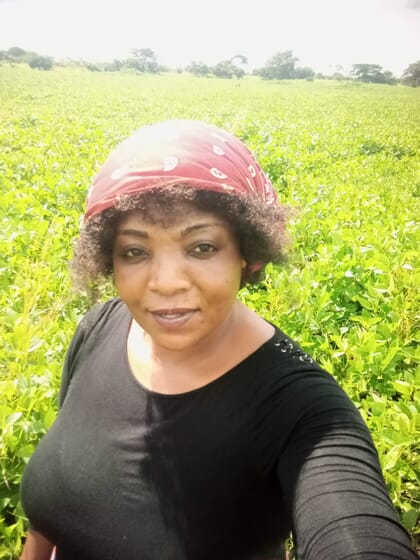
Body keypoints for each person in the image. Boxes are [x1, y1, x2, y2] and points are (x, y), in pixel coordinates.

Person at [20, 120, 417, 560]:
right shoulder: (100, 327)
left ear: (247, 252)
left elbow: (352, 529)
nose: (167, 283)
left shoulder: (305, 410)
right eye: (135, 251)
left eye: (202, 247)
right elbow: (52, 513)